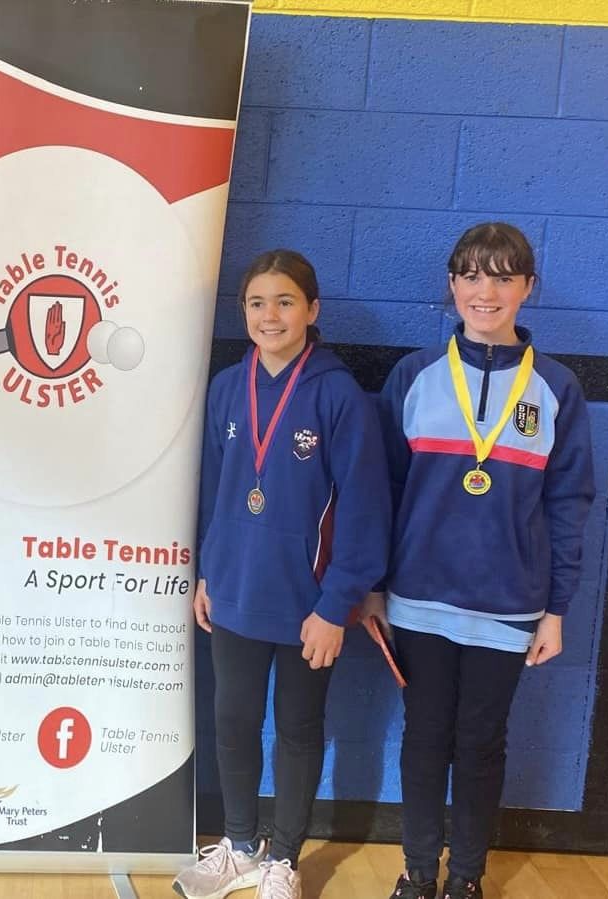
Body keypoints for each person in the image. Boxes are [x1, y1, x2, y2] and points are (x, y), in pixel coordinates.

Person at [368, 223, 594, 899]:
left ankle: (466, 878)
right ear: (452, 285)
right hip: (418, 600)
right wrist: (374, 585)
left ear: (528, 287)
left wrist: (556, 609)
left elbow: (569, 503)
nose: (484, 291)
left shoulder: (557, 388)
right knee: (424, 737)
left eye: (502, 276)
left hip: (509, 605)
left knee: (480, 744)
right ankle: (417, 873)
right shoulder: (415, 375)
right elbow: (381, 490)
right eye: (470, 275)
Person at [174, 250, 391, 899]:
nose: (270, 315)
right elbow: (214, 490)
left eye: (285, 301)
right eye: (257, 302)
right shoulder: (225, 388)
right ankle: (241, 846)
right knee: (233, 722)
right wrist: (208, 572)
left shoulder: (338, 395)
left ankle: (285, 859)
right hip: (236, 591)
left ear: (312, 309)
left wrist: (337, 603)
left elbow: (365, 508)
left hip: (310, 606)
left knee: (298, 729)